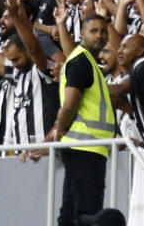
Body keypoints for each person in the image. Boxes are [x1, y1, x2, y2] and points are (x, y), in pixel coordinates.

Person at [50, 17, 116, 226]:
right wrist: (59, 130)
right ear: (82, 34)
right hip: (86, 147)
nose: (100, 35)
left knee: (71, 213)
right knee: (86, 214)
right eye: (93, 31)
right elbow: (69, 106)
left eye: (103, 31)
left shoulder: (85, 60)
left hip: (84, 146)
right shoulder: (82, 62)